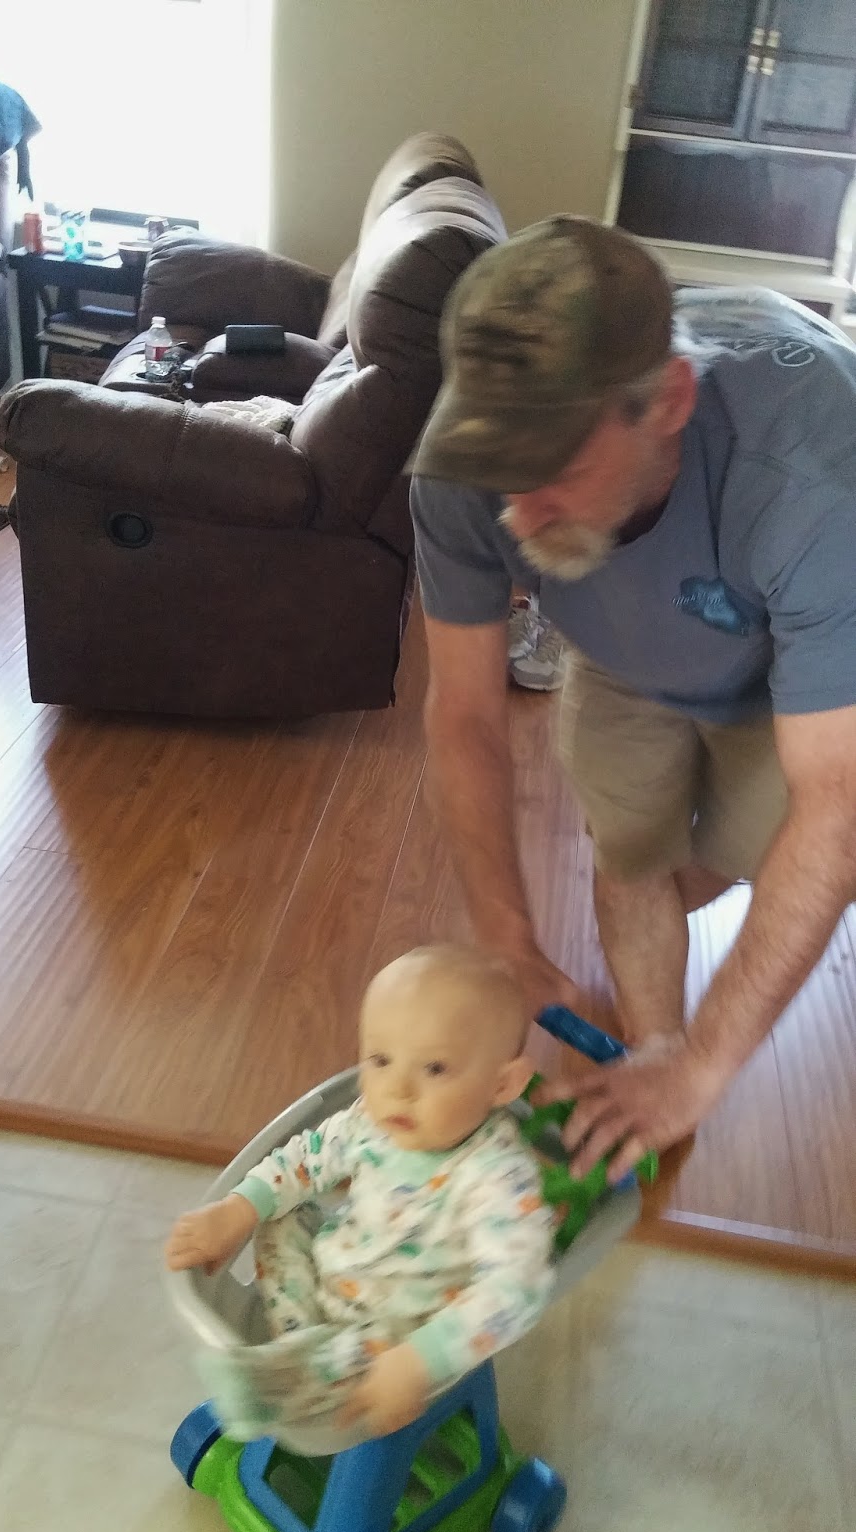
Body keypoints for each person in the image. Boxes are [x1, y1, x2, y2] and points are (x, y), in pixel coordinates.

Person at [409, 215, 856, 1185]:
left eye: (556, 468)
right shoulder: (469, 459)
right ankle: (645, 1051)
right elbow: (466, 713)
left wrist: (707, 1067)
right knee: (632, 845)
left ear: (667, 404)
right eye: (501, 472)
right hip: (621, 647)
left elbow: (837, 804)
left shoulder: (817, 479)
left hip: (793, 666)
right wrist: (506, 934)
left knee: (756, 851)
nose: (516, 516)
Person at [165, 944, 555, 1439]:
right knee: (281, 1214)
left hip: (397, 1333)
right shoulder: (370, 1122)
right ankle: (297, 1347)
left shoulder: (496, 1175)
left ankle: (282, 1378)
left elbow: (517, 1286)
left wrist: (420, 1360)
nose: (398, 1089)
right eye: (381, 1060)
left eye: (435, 1069)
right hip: (331, 1278)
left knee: (355, 1358)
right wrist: (238, 1209)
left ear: (503, 1085)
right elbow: (304, 1160)